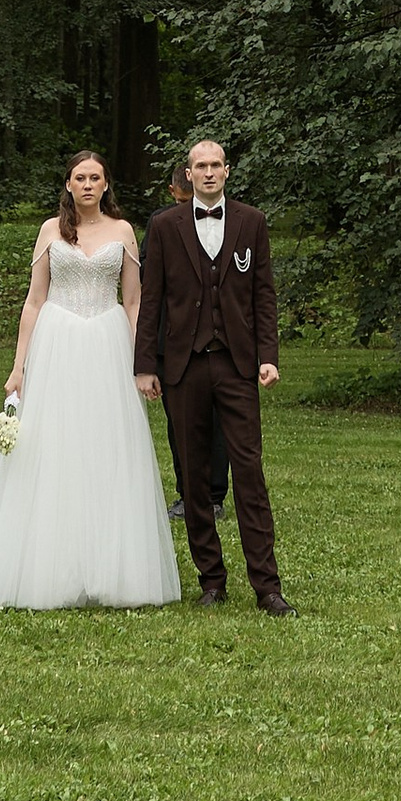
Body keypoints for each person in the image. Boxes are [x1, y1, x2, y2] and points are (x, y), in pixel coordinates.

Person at [0, 150, 180, 611]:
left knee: (107, 448)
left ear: (106, 184)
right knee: (53, 449)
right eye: (81, 177)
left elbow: (135, 302)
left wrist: (144, 362)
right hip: (57, 344)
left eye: (97, 177)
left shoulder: (123, 232)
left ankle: (108, 565)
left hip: (107, 344)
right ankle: (46, 564)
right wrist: (19, 368)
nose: (89, 184)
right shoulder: (50, 230)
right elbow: (34, 302)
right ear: (70, 184)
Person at [134, 137, 293, 615]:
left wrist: (268, 354)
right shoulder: (164, 226)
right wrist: (145, 365)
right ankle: (212, 580)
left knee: (249, 470)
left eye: (215, 165)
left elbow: (263, 293)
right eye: (199, 166)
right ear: (188, 173)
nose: (207, 173)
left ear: (227, 171)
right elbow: (151, 299)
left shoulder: (252, 222)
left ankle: (267, 586)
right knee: (194, 475)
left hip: (237, 363)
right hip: (182, 365)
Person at [162, 154, 233, 530]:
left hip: (221, 344)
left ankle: (215, 495)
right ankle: (187, 493)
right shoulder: (162, 225)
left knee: (219, 422)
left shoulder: (241, 222)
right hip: (175, 342)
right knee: (181, 425)